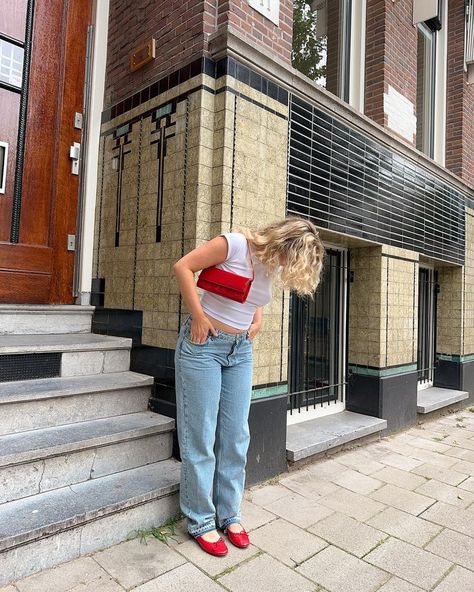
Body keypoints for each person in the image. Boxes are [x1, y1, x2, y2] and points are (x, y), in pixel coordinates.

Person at [172, 217, 325, 556]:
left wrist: (256, 318)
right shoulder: (234, 244)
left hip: (240, 351)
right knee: (201, 434)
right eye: (293, 258)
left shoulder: (269, 263)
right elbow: (183, 267)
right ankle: (200, 520)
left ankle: (230, 514)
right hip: (204, 346)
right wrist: (198, 315)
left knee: (236, 436)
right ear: (285, 244)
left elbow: (252, 296)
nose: (290, 266)